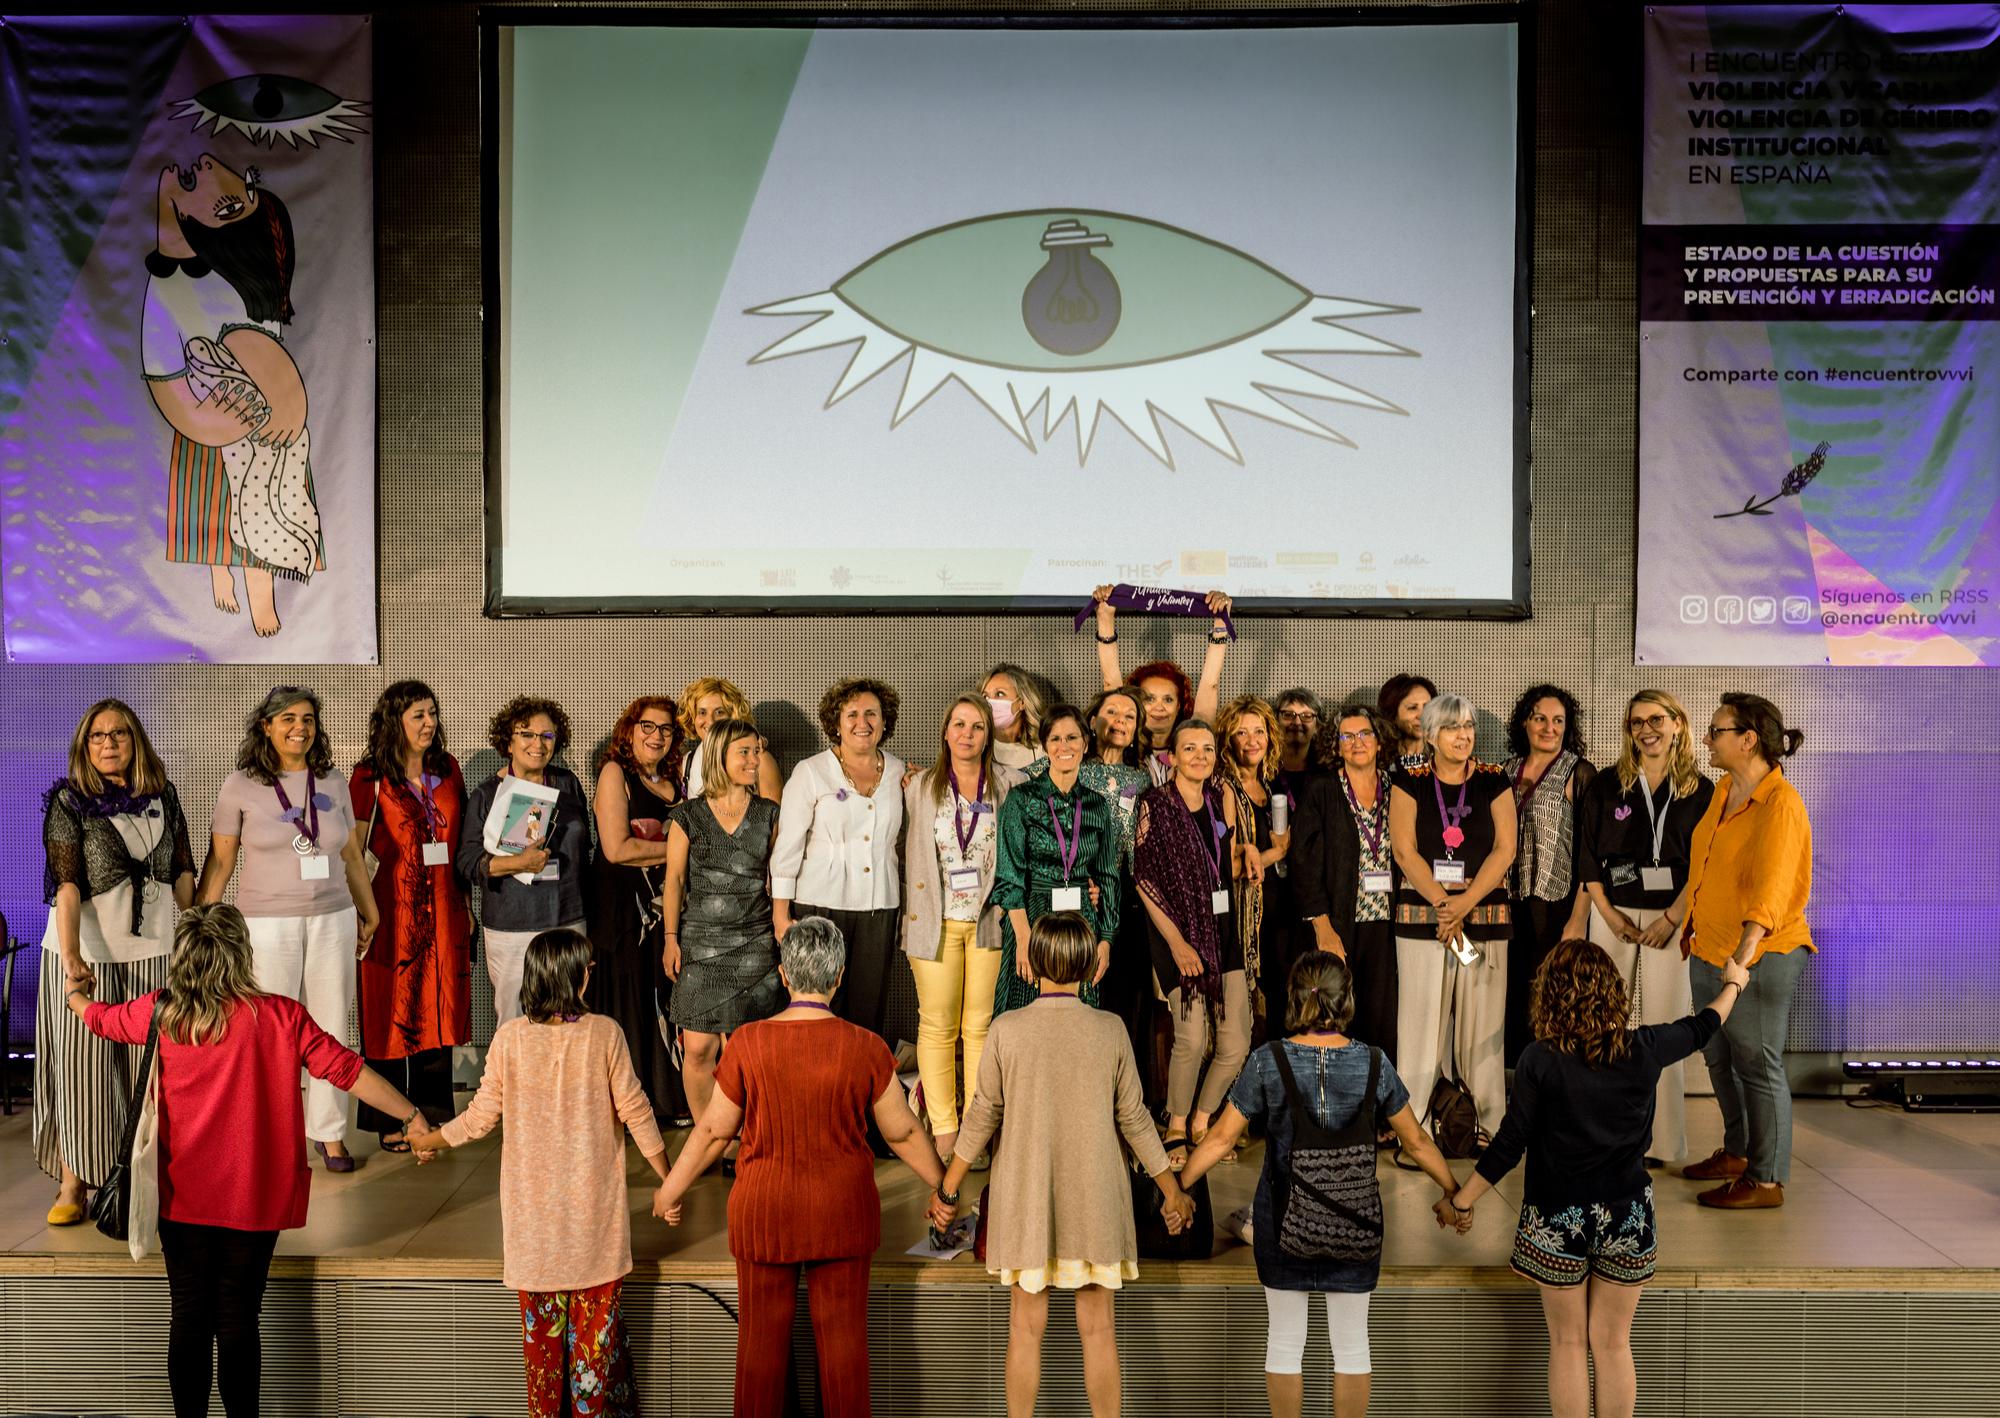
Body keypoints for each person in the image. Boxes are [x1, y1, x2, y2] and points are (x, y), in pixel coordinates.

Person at [69, 904, 426, 1418]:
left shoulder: (161, 1012)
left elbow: (101, 1019)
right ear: (242, 953)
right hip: (252, 1199)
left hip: (180, 1197)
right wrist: (412, 1117)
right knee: (239, 1317)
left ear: (184, 956)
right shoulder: (280, 1017)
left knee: (189, 1316)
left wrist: (76, 992)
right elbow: (348, 1070)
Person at [1443, 941, 1751, 1418]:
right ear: (1613, 992)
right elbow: (1704, 1025)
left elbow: (1509, 1143)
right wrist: (1733, 983)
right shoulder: (1644, 1049)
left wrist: (1462, 1201)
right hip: (1628, 1219)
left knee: (1567, 1343)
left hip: (1556, 1219)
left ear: (1550, 996)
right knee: (1612, 1344)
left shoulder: (1538, 1060)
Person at [654, 918, 945, 1418]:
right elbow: (903, 1133)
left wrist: (670, 1190)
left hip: (765, 1214)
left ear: (784, 976)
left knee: (759, 1361)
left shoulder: (748, 1043)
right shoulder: (867, 1048)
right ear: (838, 977)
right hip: (842, 1216)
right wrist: (946, 1188)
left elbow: (712, 1132)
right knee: (845, 1359)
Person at [929, 914, 1196, 1418]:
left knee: (1024, 1327)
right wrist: (1172, 1189)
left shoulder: (1006, 1031)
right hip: (1095, 1199)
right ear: (1089, 964)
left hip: (1026, 1199)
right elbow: (1136, 1120)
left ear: (1034, 965)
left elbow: (981, 1116)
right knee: (1098, 1328)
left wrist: (947, 1190)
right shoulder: (1109, 1030)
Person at [1180, 952, 1464, 1418]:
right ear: (1346, 998)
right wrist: (1454, 1190)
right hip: (1355, 1225)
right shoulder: (1375, 1063)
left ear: (1294, 1001)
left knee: (1285, 1340)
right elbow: (1415, 1140)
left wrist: (1180, 1189)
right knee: (1352, 1344)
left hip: (1281, 1225)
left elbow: (1221, 1138)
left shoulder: (1267, 1061)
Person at [406, 930, 666, 1418]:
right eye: (586, 967)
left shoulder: (509, 1039)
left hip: (534, 1239)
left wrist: (430, 1140)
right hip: (596, 1236)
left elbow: (480, 1118)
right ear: (571, 977)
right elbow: (637, 1113)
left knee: (544, 1375)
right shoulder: (605, 1034)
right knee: (592, 1370)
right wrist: (668, 1182)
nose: (592, 973)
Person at [198, 685, 378, 1170]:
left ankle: (330, 1132)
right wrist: (198, 923)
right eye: (288, 719)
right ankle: (271, 1132)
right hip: (266, 924)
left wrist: (369, 910)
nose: (300, 727)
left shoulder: (333, 780)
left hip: (333, 917)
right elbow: (220, 860)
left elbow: (350, 855)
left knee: (331, 1024)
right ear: (266, 726)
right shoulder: (240, 784)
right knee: (269, 1030)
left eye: (308, 719)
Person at [144, 154, 318, 638]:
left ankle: (260, 598)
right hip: (209, 413)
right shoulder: (185, 280)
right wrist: (169, 200)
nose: (202, 166)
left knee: (260, 499)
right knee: (213, 510)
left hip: (257, 418)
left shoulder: (251, 294)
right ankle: (220, 573)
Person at [36, 699, 196, 1225]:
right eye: (97, 737)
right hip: (86, 956)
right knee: (85, 1074)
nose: (108, 744)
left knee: (148, 1075)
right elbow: (65, 886)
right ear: (85, 746)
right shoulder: (69, 801)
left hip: (153, 953)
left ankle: (142, 1183)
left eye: (119, 734)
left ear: (136, 740)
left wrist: (198, 939)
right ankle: (74, 1184)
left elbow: (181, 872)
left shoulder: (162, 797)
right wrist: (74, 958)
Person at [1674, 694, 1814, 1209]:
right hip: (1709, 948)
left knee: (1757, 1063)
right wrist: (1688, 926)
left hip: (1757, 955)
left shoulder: (1781, 804)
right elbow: (1705, 863)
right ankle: (1737, 1152)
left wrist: (1743, 956)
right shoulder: (1726, 789)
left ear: (1748, 739)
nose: (1707, 739)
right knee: (1718, 1056)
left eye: (1715, 731)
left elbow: (1772, 890)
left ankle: (1766, 1179)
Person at [1571, 690, 1714, 1166]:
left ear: (1678, 724)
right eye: (1636, 722)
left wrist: (1673, 918)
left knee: (1665, 1027)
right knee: (1602, 1025)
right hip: (1612, 913)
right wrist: (1608, 915)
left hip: (1673, 917)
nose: (1646, 729)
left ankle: (1664, 1143)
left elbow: (1704, 864)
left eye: (1656, 719)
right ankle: (1601, 1134)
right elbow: (1587, 854)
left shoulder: (1703, 790)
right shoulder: (1609, 783)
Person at [349, 680, 472, 1152]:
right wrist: (364, 910)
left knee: (441, 1007)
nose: (429, 723)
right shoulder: (369, 776)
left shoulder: (448, 768)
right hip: (391, 912)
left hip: (445, 906)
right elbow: (352, 852)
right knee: (389, 1013)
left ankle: (437, 1115)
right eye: (418, 714)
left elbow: (459, 841)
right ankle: (390, 1116)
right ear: (394, 720)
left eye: (433, 714)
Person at [1387, 694, 1516, 1139]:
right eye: (1452, 728)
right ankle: (1417, 1130)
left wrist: (1464, 904)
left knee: (1484, 1028)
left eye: (1468, 727)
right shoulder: (1409, 778)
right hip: (1424, 918)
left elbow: (1506, 850)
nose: (1463, 736)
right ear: (1430, 735)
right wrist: (1446, 905)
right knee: (1421, 1027)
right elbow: (1404, 850)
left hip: (1482, 917)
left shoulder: (1493, 779)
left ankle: (1486, 1126)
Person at [901, 695, 1022, 1158]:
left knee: (982, 1028)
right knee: (936, 1027)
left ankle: (976, 1130)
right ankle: (945, 1129)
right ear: (945, 732)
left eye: (976, 726)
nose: (967, 733)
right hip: (934, 922)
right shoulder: (919, 787)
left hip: (989, 921)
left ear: (988, 735)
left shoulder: (1008, 785)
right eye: (959, 724)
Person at [662, 719, 786, 1147]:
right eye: (745, 753)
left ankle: (751, 1135)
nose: (755, 761)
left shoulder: (770, 814)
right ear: (720, 757)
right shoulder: (688, 815)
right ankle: (709, 1138)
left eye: (757, 751)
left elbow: (779, 878)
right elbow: (674, 881)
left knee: (749, 1052)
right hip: (699, 944)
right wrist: (670, 938)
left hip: (755, 943)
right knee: (697, 1049)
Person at [1135, 718, 1246, 1161]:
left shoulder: (1220, 800)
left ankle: (1203, 1119)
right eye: (1190, 749)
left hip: (1222, 932)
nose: (1199, 756)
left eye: (1207, 748)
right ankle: (1176, 1125)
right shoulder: (1155, 805)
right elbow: (1144, 879)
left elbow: (1226, 860)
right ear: (1173, 757)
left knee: (1236, 1041)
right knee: (1193, 1039)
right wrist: (1178, 944)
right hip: (1176, 936)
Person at [772, 677, 906, 1041]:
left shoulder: (900, 773)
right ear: (836, 722)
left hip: (879, 907)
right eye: (852, 714)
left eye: (871, 714)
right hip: (820, 905)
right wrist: (780, 914)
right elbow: (787, 846)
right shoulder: (811, 771)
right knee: (819, 1009)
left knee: (867, 1011)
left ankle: (860, 1093)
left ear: (884, 721)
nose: (862, 723)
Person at [457, 695, 591, 1028]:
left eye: (547, 736)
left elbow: (585, 847)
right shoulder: (488, 794)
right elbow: (467, 861)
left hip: (567, 920)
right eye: (527, 734)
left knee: (568, 1021)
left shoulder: (569, 784)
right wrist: (518, 864)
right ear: (509, 741)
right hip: (511, 925)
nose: (538, 743)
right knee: (515, 1022)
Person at [586, 694, 687, 1124]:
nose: (656, 735)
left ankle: (665, 1101)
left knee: (663, 998)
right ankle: (629, 1105)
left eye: (665, 729)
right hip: (621, 913)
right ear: (629, 730)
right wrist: (679, 850)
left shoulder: (678, 781)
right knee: (628, 1003)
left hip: (666, 909)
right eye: (647, 726)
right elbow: (616, 848)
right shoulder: (615, 773)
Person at [992, 705, 1122, 1017]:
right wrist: (1024, 940)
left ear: (1086, 744)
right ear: (1046, 746)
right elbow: (1009, 877)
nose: (1064, 746)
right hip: (1033, 918)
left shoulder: (1097, 805)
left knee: (1080, 1012)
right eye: (1056, 739)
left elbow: (1108, 878)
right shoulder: (1021, 799)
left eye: (1072, 738)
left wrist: (1105, 940)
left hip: (1082, 920)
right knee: (1027, 1011)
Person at [1292, 705, 1401, 1061]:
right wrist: (1322, 926)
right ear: (1336, 746)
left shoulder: (1397, 787)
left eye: (1365, 734)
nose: (1358, 743)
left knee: (1382, 1017)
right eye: (1347, 736)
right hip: (1339, 923)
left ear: (1379, 741)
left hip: (1387, 924)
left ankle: (1378, 1100)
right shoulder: (1321, 789)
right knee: (1337, 1014)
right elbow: (1303, 861)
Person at [1502, 684, 1596, 1066]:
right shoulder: (1506, 771)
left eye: (1558, 720)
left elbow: (1591, 855)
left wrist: (1579, 918)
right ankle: (1519, 1083)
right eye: (1540, 718)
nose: (1549, 727)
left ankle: (1557, 1080)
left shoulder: (1579, 772)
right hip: (1511, 902)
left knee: (1553, 998)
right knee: (1515, 996)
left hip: (1557, 907)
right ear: (1525, 722)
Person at [1078, 686, 1155, 1081]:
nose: (1121, 721)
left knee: (1128, 1002)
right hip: (1079, 892)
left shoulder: (1144, 779)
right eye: (1112, 712)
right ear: (1093, 721)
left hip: (1129, 896)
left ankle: (1128, 1096)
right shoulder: (1070, 766)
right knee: (1087, 995)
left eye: (1130, 715)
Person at [1090, 584, 1234, 772]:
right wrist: (1105, 617)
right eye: (1149, 699)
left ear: (1179, 706)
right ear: (1136, 705)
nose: (1159, 707)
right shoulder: (1122, 740)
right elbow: (1111, 680)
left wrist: (1221, 623)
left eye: (1168, 699)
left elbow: (1210, 683)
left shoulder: (1194, 736)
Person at [1217, 694, 1291, 1029]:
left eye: (1258, 732)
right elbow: (1227, 866)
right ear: (1228, 740)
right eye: (1241, 733)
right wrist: (1278, 851)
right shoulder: (1224, 789)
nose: (1252, 741)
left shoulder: (1272, 786)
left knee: (1279, 1003)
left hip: (1278, 913)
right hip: (1242, 916)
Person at [677, 677, 784, 800]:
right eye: (702, 712)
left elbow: (775, 817)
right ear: (693, 717)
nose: (711, 721)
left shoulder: (760, 759)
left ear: (733, 716)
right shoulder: (687, 763)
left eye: (719, 712)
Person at [983, 662, 1059, 773]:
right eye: (985, 696)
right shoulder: (977, 749)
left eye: (999, 694)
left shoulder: (1045, 749)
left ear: (1022, 702)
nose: (990, 702)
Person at [1376, 674, 1437, 772]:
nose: (1422, 715)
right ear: (1393, 714)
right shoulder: (1377, 762)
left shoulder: (1444, 759)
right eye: (1412, 708)